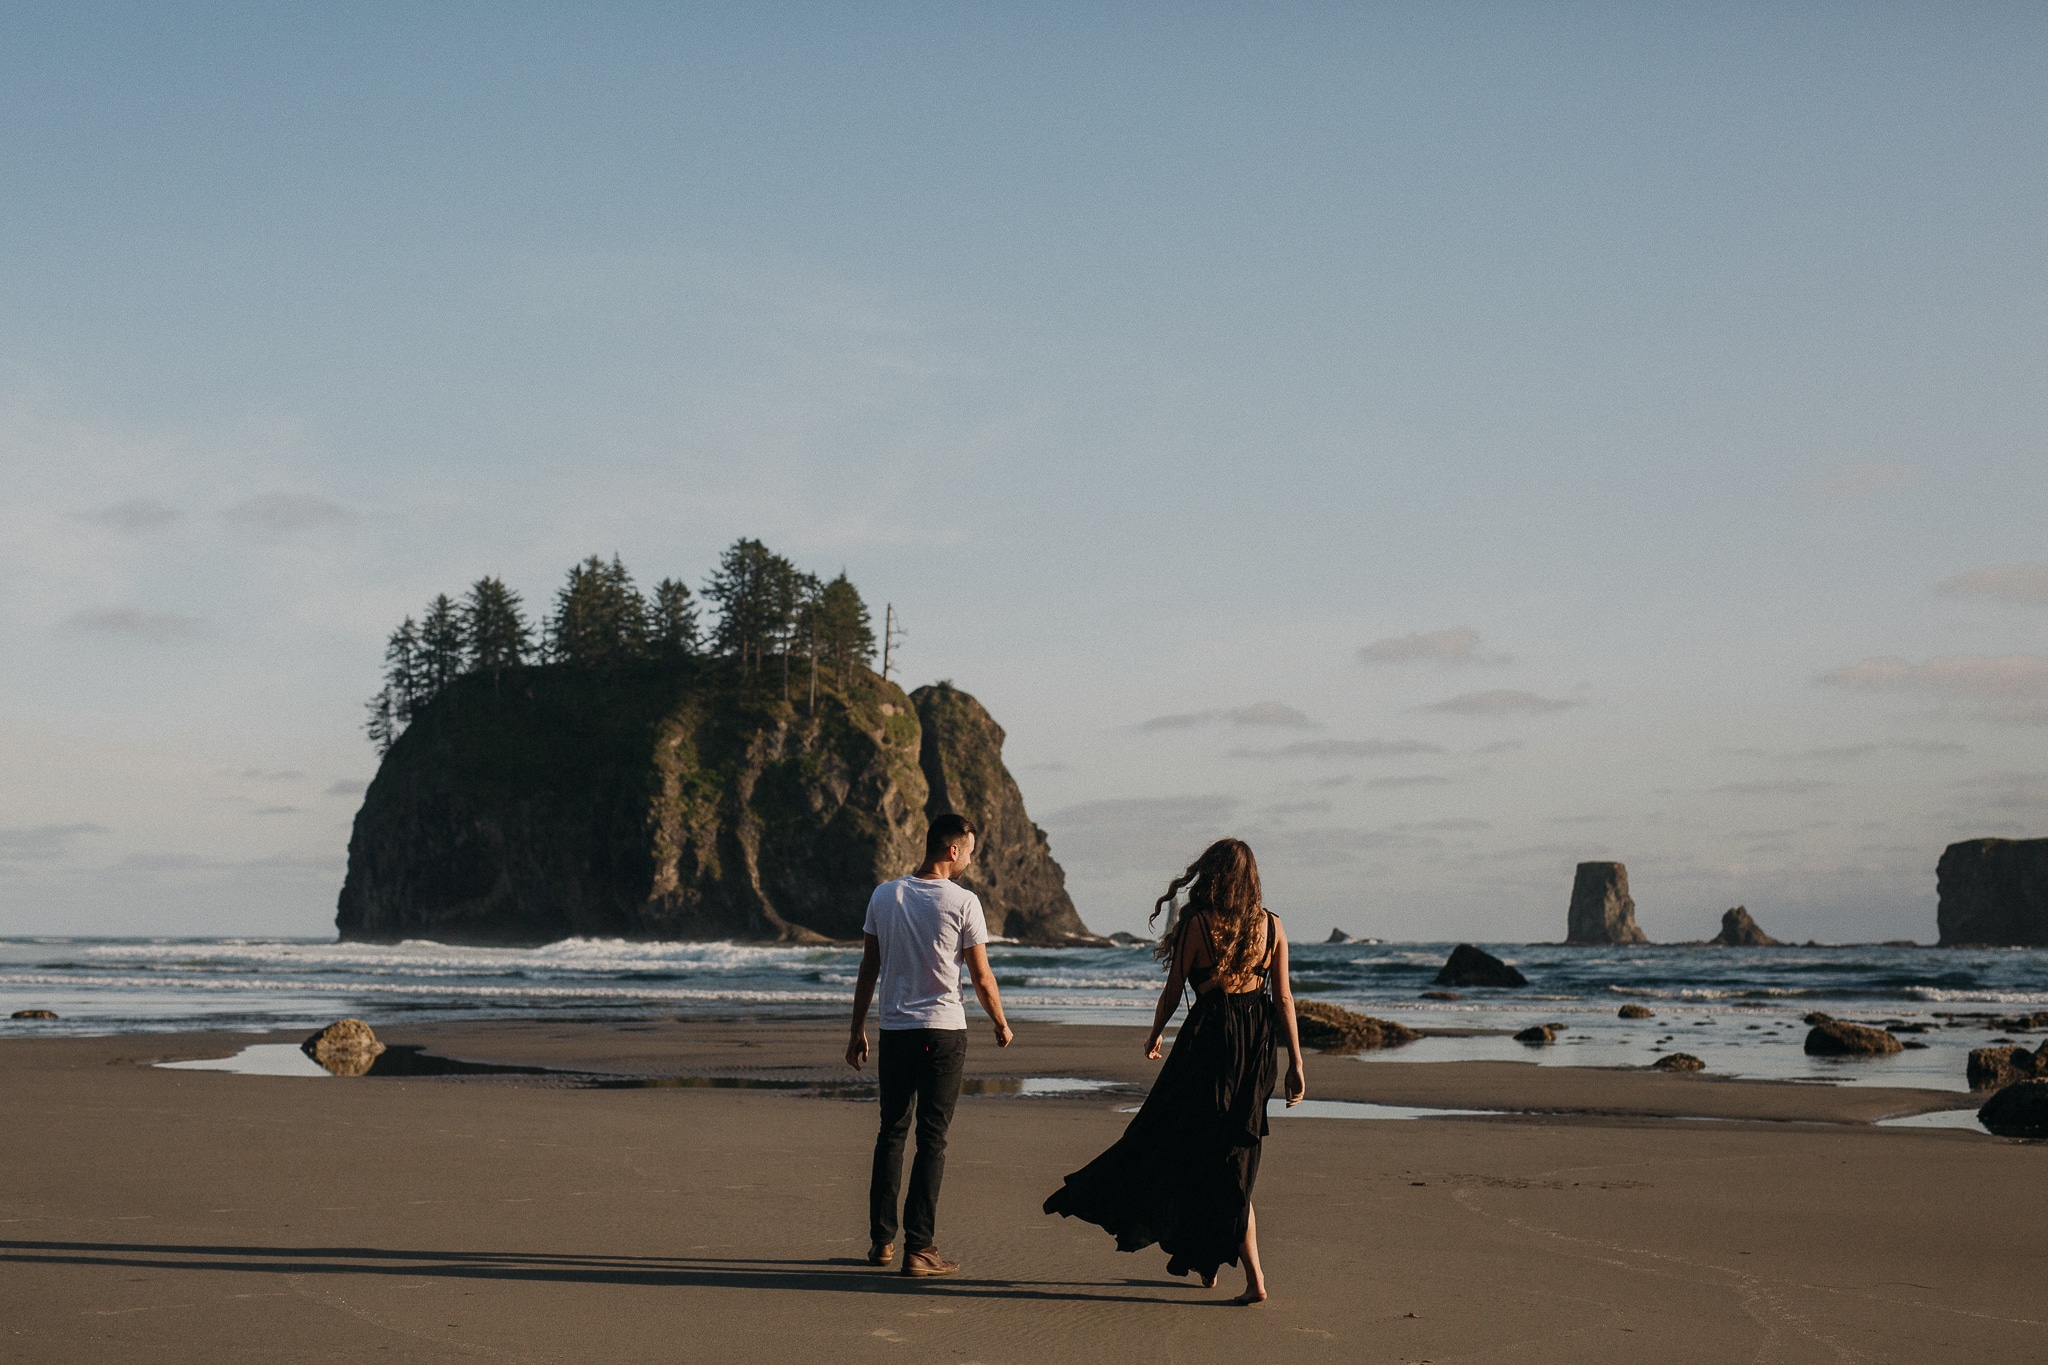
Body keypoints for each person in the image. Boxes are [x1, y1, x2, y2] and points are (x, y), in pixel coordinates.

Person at [1042, 837, 1304, 1303]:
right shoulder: (1273, 926)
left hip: (1208, 1048)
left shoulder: (1198, 925)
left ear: (1211, 874)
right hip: (1258, 1050)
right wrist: (1297, 1064)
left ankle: (1239, 1272)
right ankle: (1224, 1267)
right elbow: (1282, 999)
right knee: (1231, 1160)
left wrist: (1154, 1033)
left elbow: (1172, 991)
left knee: (1174, 1145)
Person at [846, 812, 1013, 1278]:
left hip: (895, 1031)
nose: (969, 863)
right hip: (942, 1032)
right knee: (932, 1140)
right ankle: (919, 1248)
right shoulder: (964, 902)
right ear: (953, 850)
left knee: (891, 1133)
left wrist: (857, 1027)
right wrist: (1000, 1021)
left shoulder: (885, 894)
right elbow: (980, 975)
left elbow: (869, 967)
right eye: (970, 852)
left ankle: (882, 1242)